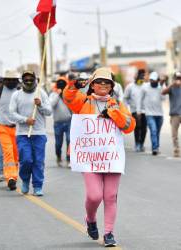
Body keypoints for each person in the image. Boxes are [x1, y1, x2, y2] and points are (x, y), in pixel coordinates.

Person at [63, 67, 135, 247]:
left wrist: (113, 113)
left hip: (111, 157)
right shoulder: (83, 101)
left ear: (111, 87)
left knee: (110, 196)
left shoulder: (117, 104)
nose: (103, 85)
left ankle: (109, 233)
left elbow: (129, 126)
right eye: (99, 82)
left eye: (107, 83)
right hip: (89, 157)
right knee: (95, 196)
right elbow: (69, 98)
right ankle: (91, 219)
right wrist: (73, 85)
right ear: (92, 85)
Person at [9, 71, 52, 196]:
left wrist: (40, 105)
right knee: (26, 160)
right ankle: (25, 180)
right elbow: (11, 113)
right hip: (22, 134)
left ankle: (38, 186)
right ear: (22, 80)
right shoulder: (16, 95)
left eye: (31, 79)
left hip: (39, 133)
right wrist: (25, 120)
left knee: (38, 161)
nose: (28, 81)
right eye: (26, 79)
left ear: (35, 80)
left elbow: (49, 112)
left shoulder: (41, 93)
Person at [0, 71, 20, 191]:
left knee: (16, 154)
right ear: (5, 80)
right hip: (3, 127)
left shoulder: (20, 91)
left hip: (18, 128)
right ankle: (10, 177)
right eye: (8, 79)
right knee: (8, 152)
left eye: (13, 79)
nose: (11, 82)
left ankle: (14, 176)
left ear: (17, 80)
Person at [139, 71, 165, 155]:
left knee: (157, 132)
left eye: (154, 80)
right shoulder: (145, 87)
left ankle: (156, 147)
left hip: (159, 114)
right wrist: (139, 110)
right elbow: (140, 99)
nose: (152, 82)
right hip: (149, 114)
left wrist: (161, 87)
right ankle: (155, 148)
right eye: (151, 80)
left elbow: (164, 98)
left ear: (157, 80)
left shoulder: (161, 86)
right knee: (153, 130)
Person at [49, 76, 72, 167]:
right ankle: (58, 156)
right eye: (60, 83)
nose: (61, 85)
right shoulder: (53, 94)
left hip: (69, 122)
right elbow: (51, 105)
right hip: (58, 123)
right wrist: (58, 95)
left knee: (69, 140)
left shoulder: (69, 93)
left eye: (63, 83)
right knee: (58, 143)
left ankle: (68, 159)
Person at [124, 69, 147, 152]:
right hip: (134, 111)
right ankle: (137, 143)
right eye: (140, 76)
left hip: (144, 111)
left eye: (143, 76)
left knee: (144, 128)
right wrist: (127, 109)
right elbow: (125, 98)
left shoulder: (145, 86)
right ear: (136, 76)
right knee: (137, 127)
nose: (141, 78)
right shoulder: (130, 86)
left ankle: (141, 144)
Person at [162, 71, 181, 157]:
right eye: (177, 78)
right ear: (174, 79)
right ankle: (176, 150)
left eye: (180, 78)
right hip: (174, 114)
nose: (178, 80)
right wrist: (172, 84)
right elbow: (163, 92)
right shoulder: (171, 87)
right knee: (174, 134)